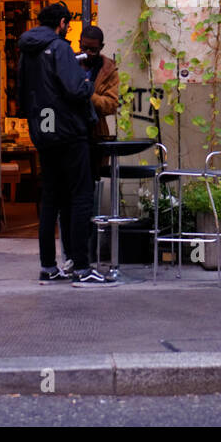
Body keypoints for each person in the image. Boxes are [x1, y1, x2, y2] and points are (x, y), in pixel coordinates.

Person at [16, 2, 113, 285]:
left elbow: (22, 96)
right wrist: (85, 83)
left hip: (43, 133)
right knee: (80, 196)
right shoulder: (59, 48)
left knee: (50, 200)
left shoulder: (26, 52)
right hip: (69, 133)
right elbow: (75, 88)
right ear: (60, 22)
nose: (68, 29)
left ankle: (48, 266)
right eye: (67, 24)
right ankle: (82, 267)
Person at [76, 25, 119, 266]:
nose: (87, 53)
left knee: (90, 195)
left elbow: (111, 104)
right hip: (72, 135)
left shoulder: (109, 69)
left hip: (94, 137)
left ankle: (89, 256)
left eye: (92, 49)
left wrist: (86, 94)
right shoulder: (70, 62)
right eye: (83, 47)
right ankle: (78, 255)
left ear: (101, 48)